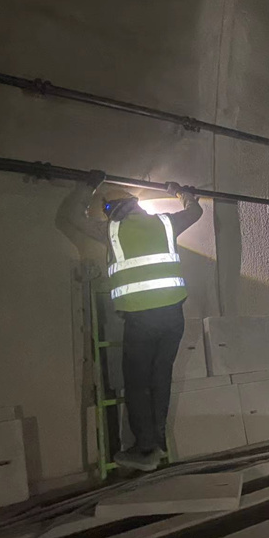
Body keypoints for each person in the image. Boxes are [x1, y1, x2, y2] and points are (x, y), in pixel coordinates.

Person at [69, 170, 203, 471]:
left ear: (110, 209)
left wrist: (88, 186)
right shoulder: (165, 223)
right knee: (160, 379)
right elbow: (195, 212)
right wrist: (180, 191)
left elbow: (73, 217)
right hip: (174, 318)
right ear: (135, 204)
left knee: (137, 383)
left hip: (141, 320)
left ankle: (145, 450)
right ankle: (159, 442)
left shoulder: (111, 230)